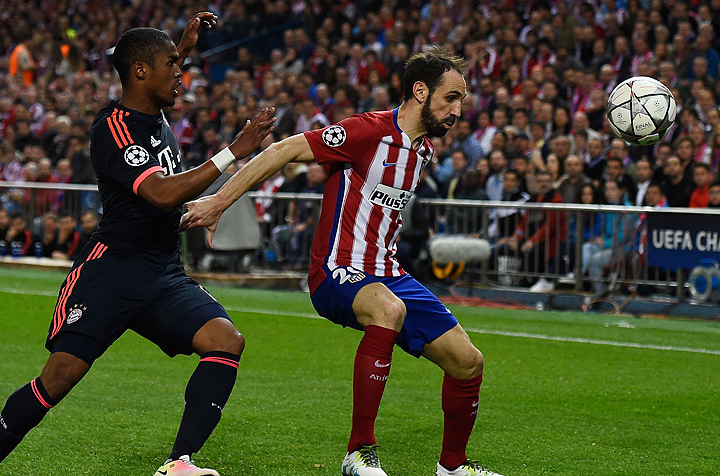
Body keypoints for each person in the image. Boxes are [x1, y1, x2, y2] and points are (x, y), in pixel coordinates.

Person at [0, 16, 276, 476]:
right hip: (111, 273)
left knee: (226, 341)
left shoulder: (154, 111)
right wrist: (233, 152)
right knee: (59, 377)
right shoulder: (115, 128)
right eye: (173, 65)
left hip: (161, 272)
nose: (181, 74)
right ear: (141, 73)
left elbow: (150, 74)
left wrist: (182, 47)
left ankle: (179, 463)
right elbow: (160, 193)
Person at [181, 45, 502, 476]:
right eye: (452, 97)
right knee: (388, 309)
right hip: (337, 269)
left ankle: (453, 466)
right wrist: (220, 201)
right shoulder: (367, 131)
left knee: (468, 362)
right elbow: (282, 150)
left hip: (389, 273)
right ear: (420, 92)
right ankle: (358, 452)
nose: (459, 110)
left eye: (461, 99)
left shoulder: (422, 150)